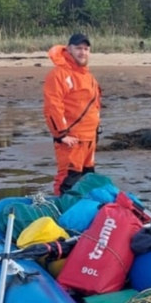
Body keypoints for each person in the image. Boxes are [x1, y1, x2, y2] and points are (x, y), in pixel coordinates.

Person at [43, 33, 102, 195]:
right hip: (71, 140)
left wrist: (96, 132)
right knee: (67, 179)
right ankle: (60, 212)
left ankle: (81, 215)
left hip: (89, 139)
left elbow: (94, 106)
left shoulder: (88, 76)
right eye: (78, 48)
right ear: (69, 49)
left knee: (87, 178)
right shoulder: (59, 75)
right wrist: (61, 135)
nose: (82, 52)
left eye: (86, 49)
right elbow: (53, 106)